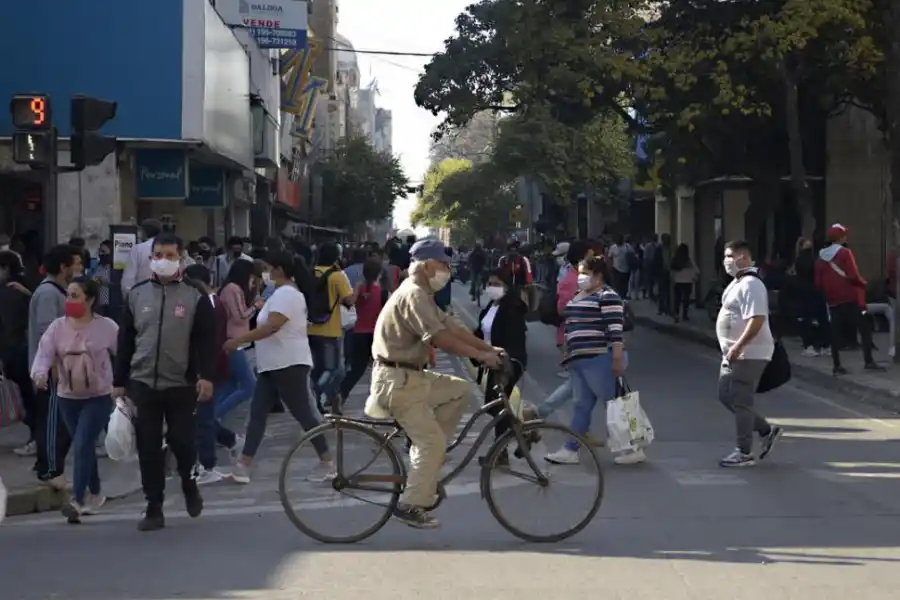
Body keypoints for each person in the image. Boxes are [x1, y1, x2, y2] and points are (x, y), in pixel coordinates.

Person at [368, 238, 502, 529]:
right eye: (443, 265)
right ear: (428, 266)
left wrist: (487, 348)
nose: (447, 270)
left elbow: (452, 326)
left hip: (413, 377)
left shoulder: (422, 295)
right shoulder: (414, 295)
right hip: (399, 382)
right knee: (433, 443)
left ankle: (425, 463)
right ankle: (410, 504)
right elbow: (439, 338)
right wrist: (481, 355)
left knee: (460, 389)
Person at [114, 232, 218, 531]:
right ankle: (154, 507)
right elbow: (126, 341)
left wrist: (207, 377)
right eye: (158, 255)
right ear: (150, 259)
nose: (163, 261)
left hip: (181, 384)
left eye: (170, 255)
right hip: (143, 383)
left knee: (182, 442)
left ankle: (189, 483)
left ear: (181, 259)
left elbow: (207, 342)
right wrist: (119, 380)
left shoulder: (195, 297)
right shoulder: (136, 295)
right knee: (148, 447)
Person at [225, 250, 333, 484]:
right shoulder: (279, 294)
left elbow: (272, 326)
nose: (264, 274)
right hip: (273, 364)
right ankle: (243, 466)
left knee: (303, 413)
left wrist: (238, 340)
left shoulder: (287, 294)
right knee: (257, 413)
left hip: (289, 364)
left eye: (267, 268)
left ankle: (327, 462)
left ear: (280, 270)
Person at [31, 277, 118, 523]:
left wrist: (124, 386)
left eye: (76, 295)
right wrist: (39, 374)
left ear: (90, 299)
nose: (69, 300)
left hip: (99, 396)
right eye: (68, 295)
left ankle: (77, 500)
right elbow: (44, 353)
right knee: (85, 445)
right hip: (67, 397)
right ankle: (97, 492)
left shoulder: (107, 327)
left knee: (81, 443)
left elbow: (124, 354)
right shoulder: (58, 327)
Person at [545, 256, 644, 466]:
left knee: (614, 405)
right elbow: (571, 324)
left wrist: (616, 359)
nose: (580, 277)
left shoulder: (608, 296)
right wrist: (567, 351)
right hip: (579, 359)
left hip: (601, 358)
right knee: (581, 405)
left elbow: (615, 331)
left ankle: (632, 448)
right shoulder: (578, 295)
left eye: (585, 273)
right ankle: (570, 450)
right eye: (580, 272)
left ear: (598, 275)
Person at [716, 240, 782, 468]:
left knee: (741, 399)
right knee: (725, 395)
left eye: (729, 256)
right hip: (734, 353)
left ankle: (743, 452)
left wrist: (738, 346)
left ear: (743, 258)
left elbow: (757, 320)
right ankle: (766, 430)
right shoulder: (738, 282)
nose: (726, 261)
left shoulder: (752, 284)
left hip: (748, 352)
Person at [28, 244, 84, 489]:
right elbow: (46, 333)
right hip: (53, 371)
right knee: (53, 422)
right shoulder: (49, 293)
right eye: (76, 263)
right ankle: (49, 471)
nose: (80, 268)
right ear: (64, 267)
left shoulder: (58, 291)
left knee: (60, 422)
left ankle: (50, 467)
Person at [182, 264, 242, 484]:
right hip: (204, 366)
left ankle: (208, 463)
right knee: (199, 417)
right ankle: (230, 441)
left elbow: (209, 340)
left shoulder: (208, 303)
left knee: (203, 418)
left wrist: (204, 370)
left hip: (205, 368)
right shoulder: (210, 301)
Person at [472, 268, 527, 465]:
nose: (492, 288)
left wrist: (504, 360)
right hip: (493, 361)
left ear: (506, 287)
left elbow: (513, 341)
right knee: (495, 406)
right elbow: (481, 332)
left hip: (508, 362)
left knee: (498, 406)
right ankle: (524, 432)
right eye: (490, 284)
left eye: (497, 284)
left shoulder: (511, 308)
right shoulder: (491, 306)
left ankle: (500, 452)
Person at [815, 224, 882, 374]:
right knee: (864, 328)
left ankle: (837, 365)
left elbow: (818, 283)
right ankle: (868, 361)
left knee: (835, 333)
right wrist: (863, 284)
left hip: (832, 301)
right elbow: (853, 275)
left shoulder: (820, 258)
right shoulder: (845, 253)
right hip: (850, 299)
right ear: (841, 238)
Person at [308, 243, 355, 412]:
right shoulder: (337, 275)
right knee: (334, 370)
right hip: (330, 330)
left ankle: (321, 403)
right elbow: (349, 300)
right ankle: (315, 394)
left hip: (310, 328)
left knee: (317, 369)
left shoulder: (310, 272)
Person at [0, 251, 36, 457]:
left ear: (5, 268)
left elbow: (9, 327)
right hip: (25, 349)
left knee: (26, 398)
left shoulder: (8, 292)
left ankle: (36, 438)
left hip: (15, 351)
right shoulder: (25, 287)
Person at [215, 260, 260, 423]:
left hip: (235, 341)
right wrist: (255, 306)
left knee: (230, 385)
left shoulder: (233, 289)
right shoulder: (233, 289)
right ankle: (213, 418)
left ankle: (214, 422)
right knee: (249, 386)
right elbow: (240, 316)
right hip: (234, 341)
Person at [339, 258, 385, 399]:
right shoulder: (383, 291)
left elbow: (349, 302)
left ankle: (341, 394)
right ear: (380, 273)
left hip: (358, 332)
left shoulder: (359, 288)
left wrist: (357, 290)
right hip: (376, 335)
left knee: (357, 368)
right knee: (384, 368)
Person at [121, 219, 163, 294]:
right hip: (164, 296)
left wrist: (129, 297)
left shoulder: (138, 249)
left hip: (142, 297)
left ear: (144, 232)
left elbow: (128, 279)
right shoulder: (170, 248)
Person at [670, 243, 699, 323]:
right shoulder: (689, 260)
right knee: (686, 299)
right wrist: (694, 277)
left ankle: (676, 314)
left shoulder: (675, 259)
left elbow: (672, 271)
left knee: (677, 299)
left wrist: (673, 279)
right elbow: (697, 270)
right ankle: (685, 315)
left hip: (678, 281)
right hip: (688, 281)